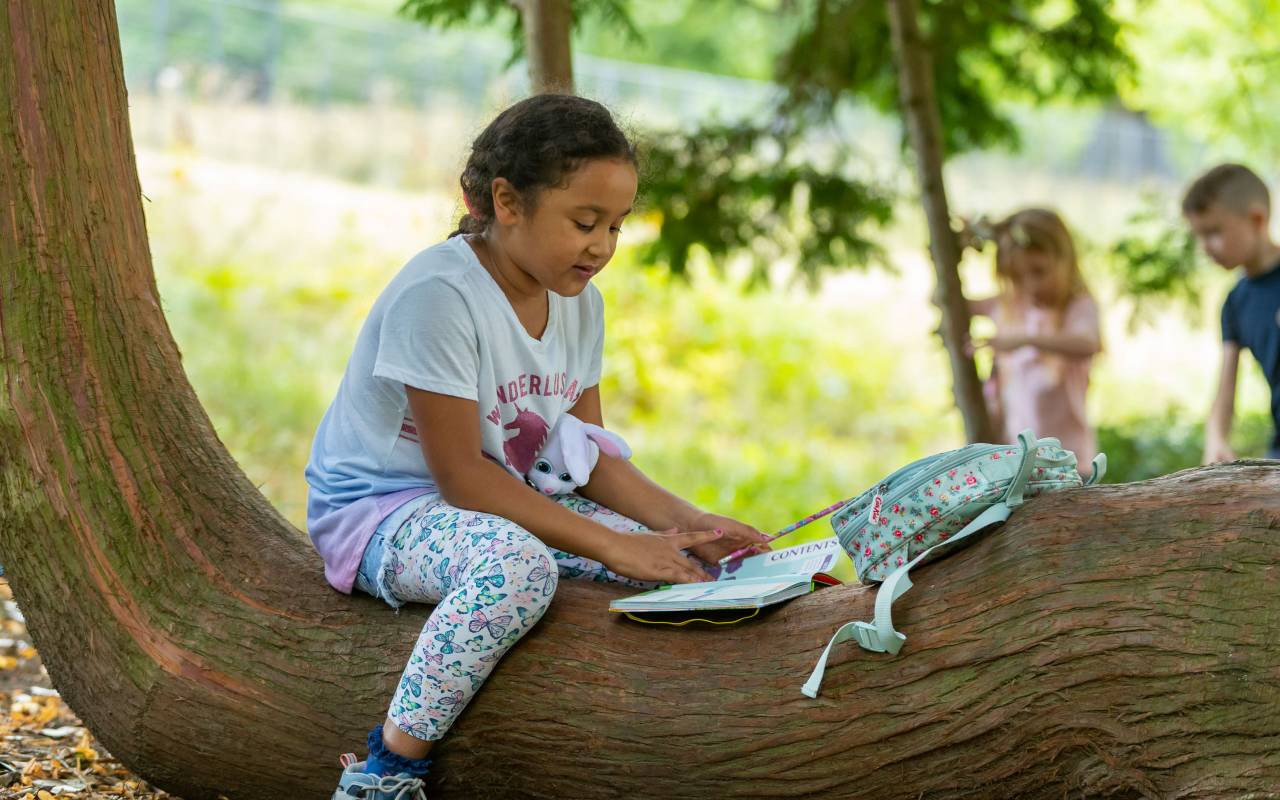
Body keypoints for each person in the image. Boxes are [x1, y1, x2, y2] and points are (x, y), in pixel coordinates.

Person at [304, 94, 769, 799]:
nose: (603, 247)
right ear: (508, 202)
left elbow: (585, 457)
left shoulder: (581, 303)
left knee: (672, 568)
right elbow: (462, 479)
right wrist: (609, 545)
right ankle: (387, 770)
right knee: (518, 568)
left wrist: (684, 526)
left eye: (616, 226)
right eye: (585, 223)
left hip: (501, 503)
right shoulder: (439, 296)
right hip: (384, 513)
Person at [965, 208, 1102, 472]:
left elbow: (1087, 343)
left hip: (1067, 462)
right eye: (1016, 277)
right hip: (1015, 462)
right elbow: (943, 300)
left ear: (1064, 260)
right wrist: (961, 245)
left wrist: (1024, 340)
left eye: (1039, 272)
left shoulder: (1076, 307)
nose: (1030, 285)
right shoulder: (1010, 307)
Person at [1182, 164, 1280, 462]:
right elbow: (1226, 386)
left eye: (1213, 232)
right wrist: (1216, 438)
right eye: (1199, 235)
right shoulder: (1235, 303)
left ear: (1256, 219)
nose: (1205, 247)